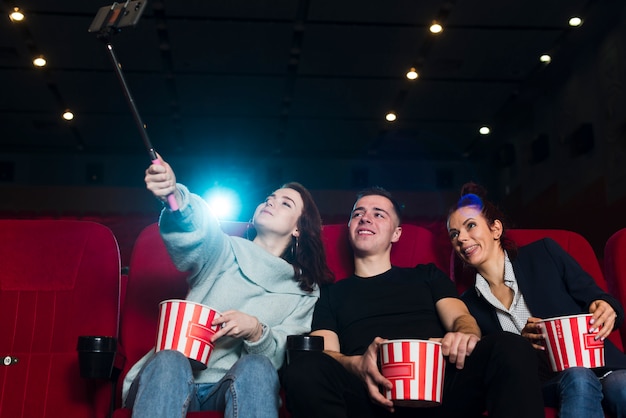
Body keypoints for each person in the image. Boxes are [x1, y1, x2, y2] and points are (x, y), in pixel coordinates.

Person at [281, 186, 544, 418]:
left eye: (378, 213)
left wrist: (464, 335)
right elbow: (327, 352)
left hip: (440, 389)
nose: (365, 218)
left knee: (510, 345)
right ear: (350, 227)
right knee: (304, 366)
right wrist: (357, 365)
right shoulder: (331, 293)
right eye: (357, 213)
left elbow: (460, 318)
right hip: (369, 396)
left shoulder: (426, 275)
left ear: (396, 233)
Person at [122, 155, 334, 418]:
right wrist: (174, 195)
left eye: (285, 203)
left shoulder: (304, 290)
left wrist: (256, 331)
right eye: (270, 197)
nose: (270, 201)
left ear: (298, 229)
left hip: (229, 389)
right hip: (168, 382)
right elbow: (197, 228)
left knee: (257, 366)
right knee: (168, 359)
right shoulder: (224, 249)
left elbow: (282, 356)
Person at [447, 182, 626, 418]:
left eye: (470, 226)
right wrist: (520, 345)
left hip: (601, 365)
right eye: (454, 234)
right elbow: (491, 364)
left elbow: (596, 296)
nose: (462, 238)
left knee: (622, 387)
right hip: (543, 382)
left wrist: (607, 306)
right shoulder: (467, 304)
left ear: (495, 229)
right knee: (578, 377)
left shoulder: (544, 253)